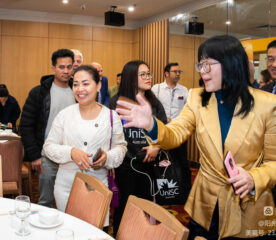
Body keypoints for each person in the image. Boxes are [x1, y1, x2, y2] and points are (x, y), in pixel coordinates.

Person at [116, 35, 276, 239]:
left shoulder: (268, 104)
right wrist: (151, 125)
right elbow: (175, 134)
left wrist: (254, 178)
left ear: (231, 64)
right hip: (205, 204)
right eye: (200, 64)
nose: (202, 71)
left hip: (247, 206)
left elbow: (273, 161)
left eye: (208, 64)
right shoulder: (197, 97)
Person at [43, 65, 127, 228]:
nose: (80, 89)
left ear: (99, 85)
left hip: (98, 187)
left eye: (86, 83)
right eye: (75, 84)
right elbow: (49, 147)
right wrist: (71, 152)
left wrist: (107, 158)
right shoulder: (64, 115)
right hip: (66, 186)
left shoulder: (111, 116)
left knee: (93, 232)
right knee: (67, 230)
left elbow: (121, 148)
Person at [109, 60, 167, 237]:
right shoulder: (116, 102)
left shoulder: (154, 103)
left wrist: (156, 146)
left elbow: (164, 129)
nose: (148, 77)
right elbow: (110, 133)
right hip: (125, 166)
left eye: (149, 73)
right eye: (143, 74)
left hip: (149, 165)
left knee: (145, 206)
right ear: (131, 77)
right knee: (125, 206)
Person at [19, 49, 76, 207]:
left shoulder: (79, 93)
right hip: (47, 157)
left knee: (72, 201)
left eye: (69, 67)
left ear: (73, 68)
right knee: (45, 201)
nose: (65, 71)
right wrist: (35, 155)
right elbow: (26, 125)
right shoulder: (39, 93)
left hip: (73, 157)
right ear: (53, 68)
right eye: (61, 67)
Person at [151, 62, 191, 203]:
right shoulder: (157, 89)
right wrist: (162, 118)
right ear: (166, 73)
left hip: (179, 132)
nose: (178, 74)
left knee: (181, 162)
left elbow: (188, 109)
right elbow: (151, 108)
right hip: (162, 131)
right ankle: (160, 192)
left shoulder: (184, 90)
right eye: (175, 71)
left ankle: (183, 193)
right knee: (160, 162)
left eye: (179, 71)